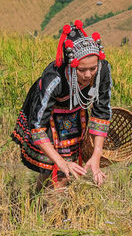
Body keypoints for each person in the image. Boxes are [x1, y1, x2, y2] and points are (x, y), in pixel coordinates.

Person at [11, 20, 112, 190]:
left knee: (69, 167)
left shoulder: (102, 70)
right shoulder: (54, 79)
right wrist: (61, 162)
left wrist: (96, 155)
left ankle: (48, 200)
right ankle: (41, 204)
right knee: (55, 168)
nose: (88, 75)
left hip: (75, 111)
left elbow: (101, 111)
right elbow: (37, 126)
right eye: (81, 70)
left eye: (92, 68)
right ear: (71, 65)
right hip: (48, 116)